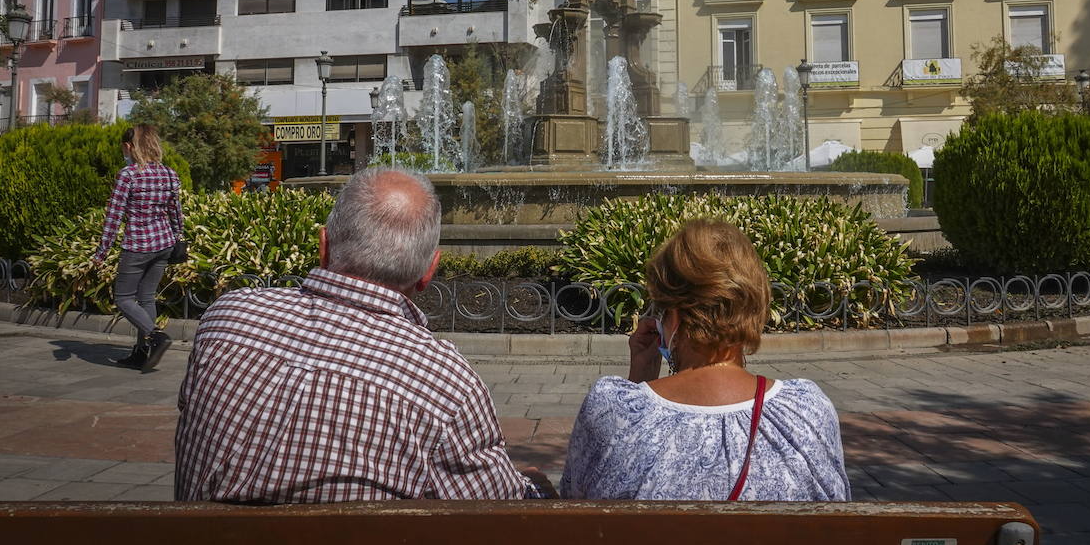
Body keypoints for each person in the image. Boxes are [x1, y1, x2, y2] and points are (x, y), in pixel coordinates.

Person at [175, 166, 549, 503]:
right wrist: (533, 487)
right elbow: (498, 513)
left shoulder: (227, 320)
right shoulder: (442, 383)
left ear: (323, 246)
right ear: (428, 273)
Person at [560, 219, 850, 501]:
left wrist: (639, 383)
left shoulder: (611, 408)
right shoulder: (806, 411)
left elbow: (577, 500)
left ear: (672, 315)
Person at [91, 123, 182, 372]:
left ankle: (155, 336)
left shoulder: (128, 175)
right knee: (146, 298)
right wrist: (178, 238)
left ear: (131, 147)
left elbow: (114, 216)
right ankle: (142, 353)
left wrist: (102, 252)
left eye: (125, 147)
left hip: (138, 246)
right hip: (164, 244)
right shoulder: (169, 174)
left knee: (123, 298)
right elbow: (176, 213)